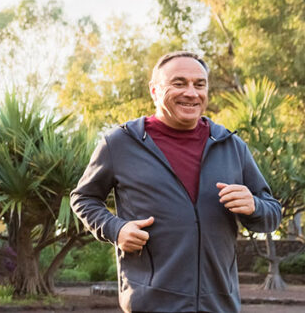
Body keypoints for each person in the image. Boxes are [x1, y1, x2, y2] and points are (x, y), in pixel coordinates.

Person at [70, 51, 282, 312]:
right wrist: (116, 229)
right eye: (179, 83)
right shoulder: (120, 143)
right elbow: (83, 198)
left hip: (219, 305)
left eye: (199, 84)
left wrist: (254, 206)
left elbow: (272, 212)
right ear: (155, 90)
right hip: (151, 304)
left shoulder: (231, 146)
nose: (192, 93)